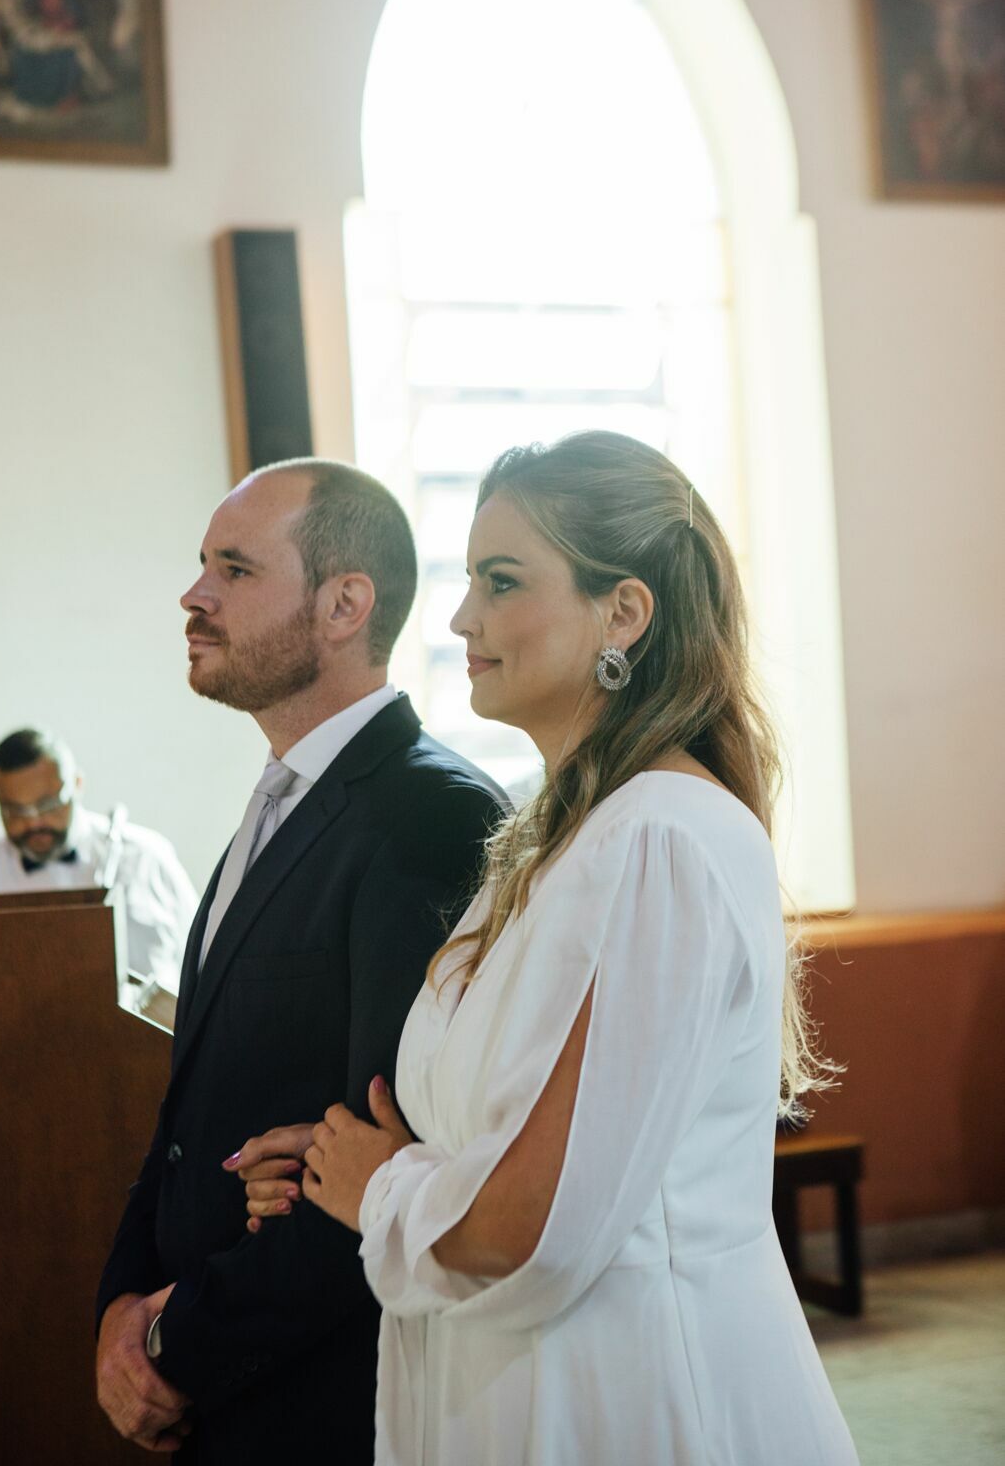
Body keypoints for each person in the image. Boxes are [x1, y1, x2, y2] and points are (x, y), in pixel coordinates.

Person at [234, 432, 859, 1465]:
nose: (460, 618)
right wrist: (341, 1159)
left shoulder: (660, 835)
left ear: (622, 611)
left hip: (631, 1399)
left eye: (501, 580)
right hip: (524, 1383)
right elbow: (512, 1137)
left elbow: (538, 1224)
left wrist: (380, 1187)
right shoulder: (553, 836)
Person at [94, 459, 506, 1461]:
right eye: (202, 565)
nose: (193, 595)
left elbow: (386, 1157)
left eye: (233, 569)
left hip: (323, 1399)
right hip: (217, 1383)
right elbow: (188, 1115)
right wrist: (118, 1305)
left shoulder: (431, 816)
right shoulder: (274, 805)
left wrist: (171, 1340)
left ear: (342, 604)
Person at [0, 726, 196, 993]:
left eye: (48, 805)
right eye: (15, 811)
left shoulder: (147, 859)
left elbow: (203, 961)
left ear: (77, 784)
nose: (34, 822)